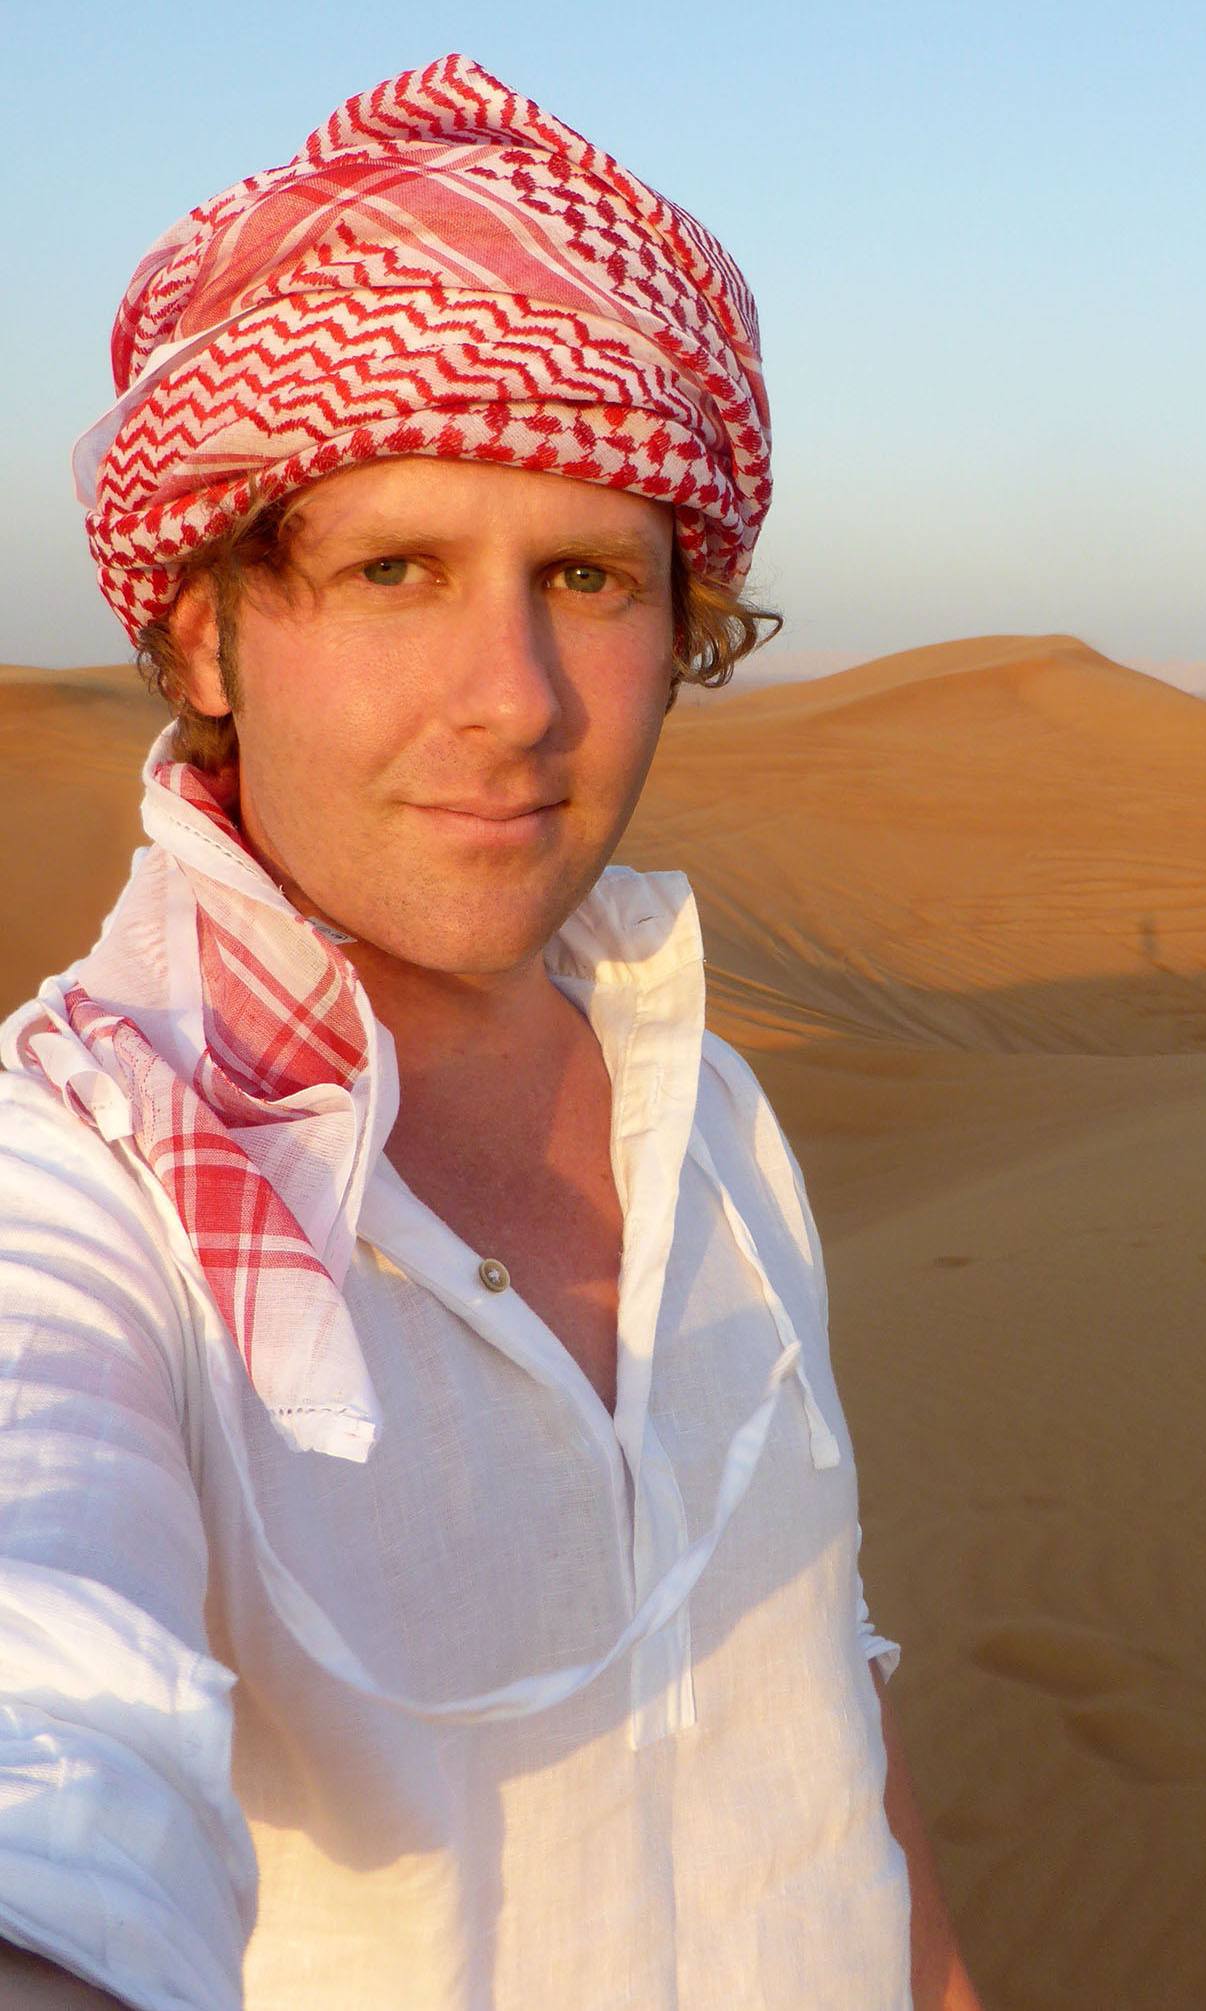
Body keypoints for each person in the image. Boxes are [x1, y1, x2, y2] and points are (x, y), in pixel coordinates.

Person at [0, 54, 983, 2011]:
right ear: (204, 632)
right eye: (393, 572)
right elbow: (52, 1741)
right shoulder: (80, 1187)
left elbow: (814, 1718)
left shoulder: (701, 1114)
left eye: (587, 580)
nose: (514, 698)